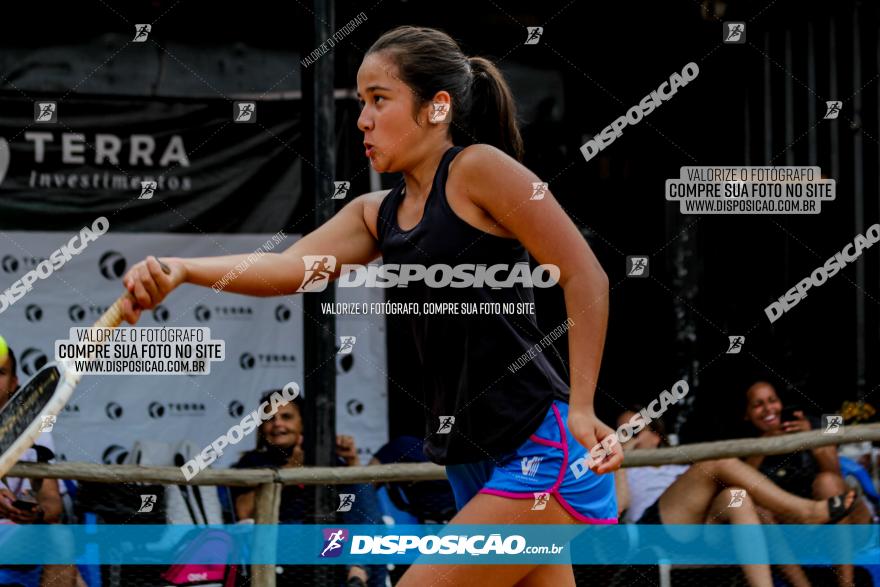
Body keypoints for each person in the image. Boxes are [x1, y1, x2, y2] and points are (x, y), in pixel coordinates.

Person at [120, 25, 621, 586]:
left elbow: (585, 274)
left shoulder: (480, 168)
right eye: (362, 101)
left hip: (539, 450)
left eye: (380, 99)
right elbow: (291, 269)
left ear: (436, 108)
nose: (362, 118)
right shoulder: (375, 213)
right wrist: (185, 271)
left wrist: (581, 407)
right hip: (470, 457)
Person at [614, 410, 857, 587]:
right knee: (717, 461)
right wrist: (620, 462)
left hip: (702, 527)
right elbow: (617, 508)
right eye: (621, 432)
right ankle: (805, 512)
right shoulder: (617, 469)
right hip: (655, 531)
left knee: (737, 497)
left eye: (633, 430)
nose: (627, 436)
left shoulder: (678, 469)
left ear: (656, 436)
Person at [230, 390, 381, 587]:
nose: (277, 424)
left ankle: (357, 572)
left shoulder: (322, 458)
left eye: (286, 417)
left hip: (331, 538)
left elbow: (353, 502)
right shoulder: (252, 461)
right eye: (270, 419)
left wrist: (351, 461)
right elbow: (245, 512)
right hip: (283, 540)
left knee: (368, 516)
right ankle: (357, 571)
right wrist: (291, 469)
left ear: (302, 424)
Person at [743, 381, 872, 587]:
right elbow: (740, 492)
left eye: (772, 401)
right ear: (747, 414)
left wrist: (811, 436)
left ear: (781, 403)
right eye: (758, 404)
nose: (768, 409)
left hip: (846, 526)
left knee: (827, 482)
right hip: (795, 535)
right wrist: (765, 445)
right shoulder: (744, 444)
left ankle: (846, 583)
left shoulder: (818, 424)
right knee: (756, 509)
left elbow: (834, 476)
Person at [0, 346, 81, 587]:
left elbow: (52, 506)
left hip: (12, 537)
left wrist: (33, 513)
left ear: (14, 382)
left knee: (59, 537)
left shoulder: (36, 429)